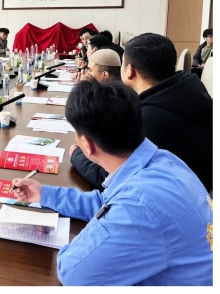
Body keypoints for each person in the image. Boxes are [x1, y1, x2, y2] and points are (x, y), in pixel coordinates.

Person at [12, 81, 212, 286]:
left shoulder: (139, 205)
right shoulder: (163, 159)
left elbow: (73, 272)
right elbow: (106, 203)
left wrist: (89, 243)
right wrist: (44, 194)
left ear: (87, 145)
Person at [115, 33, 212, 192]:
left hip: (176, 196)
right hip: (200, 186)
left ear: (130, 70)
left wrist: (77, 155)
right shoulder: (190, 89)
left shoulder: (149, 120)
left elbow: (117, 177)